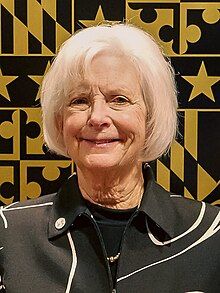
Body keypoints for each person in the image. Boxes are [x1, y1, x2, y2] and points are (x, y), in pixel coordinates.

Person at [0, 23, 219, 293]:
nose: (97, 117)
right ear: (60, 121)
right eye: (79, 101)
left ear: (150, 117)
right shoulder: (8, 234)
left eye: (119, 100)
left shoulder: (211, 235)